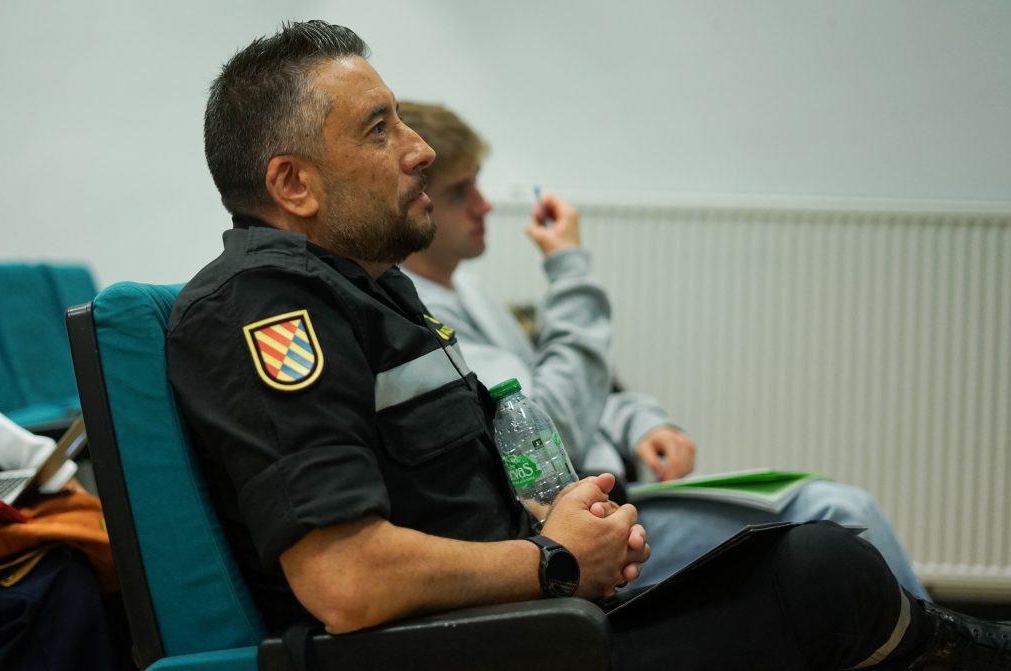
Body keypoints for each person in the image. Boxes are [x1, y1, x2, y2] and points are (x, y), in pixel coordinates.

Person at [165, 20, 1010, 670]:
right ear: (293, 183)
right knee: (820, 571)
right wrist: (556, 558)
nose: (417, 149)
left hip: (523, 616)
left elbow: (459, 482)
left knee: (809, 555)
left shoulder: (369, 286)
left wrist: (566, 521)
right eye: (379, 129)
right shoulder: (267, 305)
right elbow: (345, 581)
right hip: (462, 646)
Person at [398, 102, 931, 598]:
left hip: (619, 496)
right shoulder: (425, 316)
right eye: (459, 192)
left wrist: (644, 424)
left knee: (828, 509)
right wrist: (570, 270)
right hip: (586, 532)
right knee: (835, 509)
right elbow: (550, 425)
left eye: (478, 185)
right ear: (417, 202)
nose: (484, 204)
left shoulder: (468, 291)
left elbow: (581, 392)